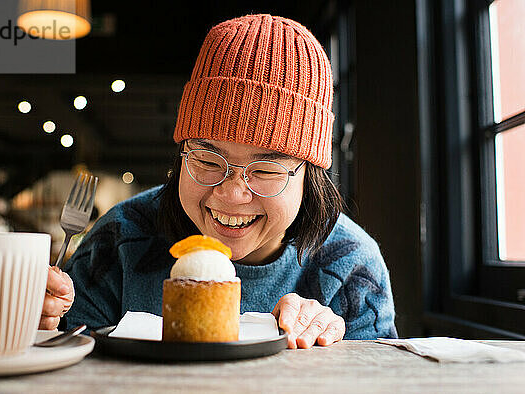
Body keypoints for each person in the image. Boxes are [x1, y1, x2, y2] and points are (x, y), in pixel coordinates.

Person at [40, 14, 398, 349]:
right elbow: (67, 357)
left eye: (265, 170)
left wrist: (327, 351)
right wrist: (33, 323)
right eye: (208, 160)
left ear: (310, 177)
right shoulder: (120, 239)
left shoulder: (351, 264)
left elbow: (378, 378)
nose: (231, 194)